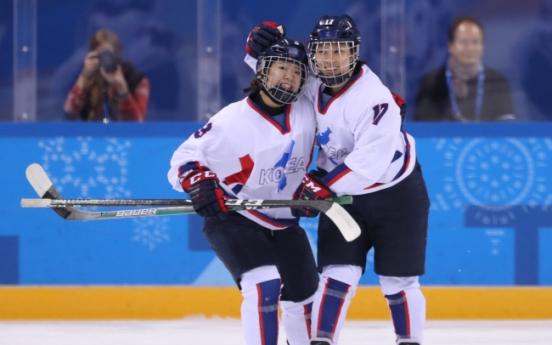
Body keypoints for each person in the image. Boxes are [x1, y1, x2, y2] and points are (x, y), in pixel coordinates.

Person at [247, 15, 430, 345]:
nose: (330, 59)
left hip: (397, 194)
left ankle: (410, 342)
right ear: (313, 54)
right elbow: (279, 78)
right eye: (323, 51)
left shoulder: (373, 98)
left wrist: (321, 187)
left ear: (354, 53)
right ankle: (321, 341)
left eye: (339, 50)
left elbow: (369, 167)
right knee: (336, 273)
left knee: (398, 280)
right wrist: (256, 52)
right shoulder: (311, 85)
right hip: (341, 193)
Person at [168, 33, 319, 345]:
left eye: (296, 72)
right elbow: (183, 159)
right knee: (264, 285)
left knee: (304, 297)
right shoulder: (232, 120)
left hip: (284, 223)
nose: (289, 77)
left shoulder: (308, 111)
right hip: (234, 218)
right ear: (262, 71)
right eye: (281, 68)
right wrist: (199, 183)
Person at [413, 16, 515, 122]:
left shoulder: (497, 81)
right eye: (464, 42)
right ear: (450, 46)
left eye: (476, 42)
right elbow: (424, 124)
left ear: (483, 46)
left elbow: (506, 128)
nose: (470, 48)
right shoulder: (432, 81)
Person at [63, 29, 149, 122]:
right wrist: (85, 76)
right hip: (91, 134)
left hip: (123, 136)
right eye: (100, 56)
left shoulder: (136, 79)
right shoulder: (86, 77)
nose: (105, 61)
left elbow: (137, 124)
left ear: (118, 56)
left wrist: (122, 89)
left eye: (109, 55)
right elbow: (69, 114)